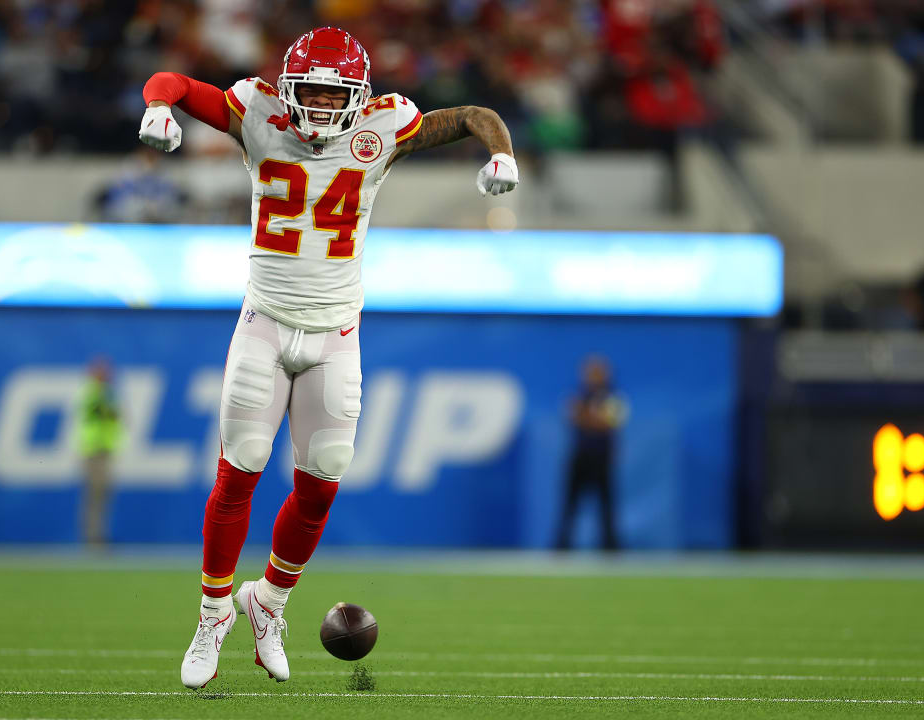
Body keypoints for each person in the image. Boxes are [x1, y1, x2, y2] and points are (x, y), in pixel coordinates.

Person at [138, 26, 519, 688]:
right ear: (286, 89)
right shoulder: (256, 114)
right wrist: (156, 108)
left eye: (329, 93)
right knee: (241, 471)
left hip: (336, 333)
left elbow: (473, 116)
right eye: (306, 91)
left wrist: (500, 154)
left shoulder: (384, 127)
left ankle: (269, 603)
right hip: (265, 322)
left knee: (324, 479)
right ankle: (213, 614)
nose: (316, 105)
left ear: (356, 96)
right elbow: (173, 82)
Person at [557, 356, 627, 551]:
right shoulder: (579, 395)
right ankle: (562, 545)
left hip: (602, 458)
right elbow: (573, 418)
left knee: (606, 505)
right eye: (591, 372)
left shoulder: (613, 397)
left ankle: (611, 546)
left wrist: (587, 418)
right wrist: (591, 418)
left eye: (598, 372)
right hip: (581, 456)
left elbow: (609, 423)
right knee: (570, 504)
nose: (594, 377)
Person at [76, 357, 122, 548]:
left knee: (101, 496)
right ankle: (93, 538)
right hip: (94, 450)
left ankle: (97, 535)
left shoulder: (105, 393)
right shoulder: (95, 393)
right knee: (95, 496)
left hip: (103, 450)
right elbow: (106, 413)